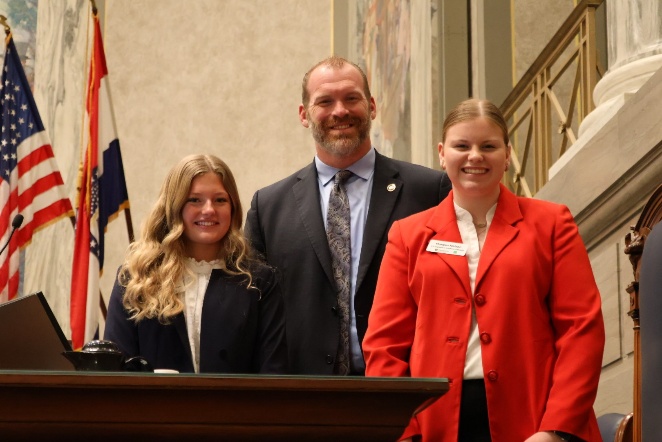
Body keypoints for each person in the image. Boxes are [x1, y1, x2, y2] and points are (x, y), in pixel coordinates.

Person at [363, 99, 605, 441]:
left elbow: (581, 330)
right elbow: (384, 346)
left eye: (488, 146)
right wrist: (404, 431)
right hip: (433, 423)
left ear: (507, 155)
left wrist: (556, 428)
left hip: (535, 418)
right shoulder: (407, 236)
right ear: (442, 154)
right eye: (462, 146)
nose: (475, 156)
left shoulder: (552, 223)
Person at [245, 56, 451, 376]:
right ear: (304, 114)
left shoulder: (429, 192)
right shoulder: (269, 207)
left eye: (351, 98)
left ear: (372, 106)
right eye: (325, 101)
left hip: (405, 385)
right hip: (303, 390)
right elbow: (252, 310)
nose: (340, 111)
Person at [104, 154, 288, 374]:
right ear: (174, 206)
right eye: (195, 200)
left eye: (220, 200)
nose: (209, 209)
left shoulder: (259, 282)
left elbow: (272, 373)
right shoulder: (136, 277)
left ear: (233, 208)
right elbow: (115, 372)